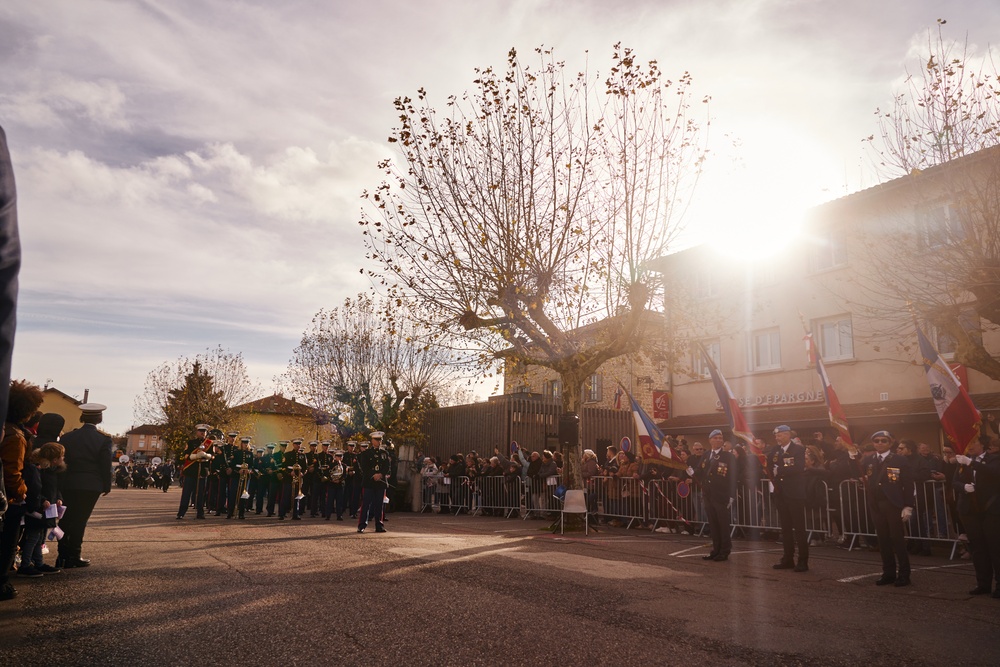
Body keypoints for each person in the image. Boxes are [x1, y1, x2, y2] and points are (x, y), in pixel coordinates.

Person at [0, 380, 45, 600]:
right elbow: (12, 471)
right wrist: (22, 492)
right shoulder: (15, 436)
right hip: (8, 500)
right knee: (7, 543)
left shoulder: (4, 428)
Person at [56, 403, 113, 569]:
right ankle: (74, 554)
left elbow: (62, 463)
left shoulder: (67, 437)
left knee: (65, 519)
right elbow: (105, 465)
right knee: (81, 520)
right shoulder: (103, 439)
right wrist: (106, 485)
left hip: (69, 483)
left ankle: (62, 556)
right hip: (91, 485)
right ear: (99, 418)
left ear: (82, 417)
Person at [863, 430, 915, 587]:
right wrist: (852, 458)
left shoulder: (900, 460)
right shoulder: (869, 460)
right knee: (883, 540)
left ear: (890, 443)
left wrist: (908, 505)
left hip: (893, 504)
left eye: (883, 441)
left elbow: (907, 484)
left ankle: (904, 574)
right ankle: (888, 572)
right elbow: (864, 477)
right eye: (877, 440)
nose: (880, 443)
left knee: (897, 539)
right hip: (876, 504)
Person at [953, 437, 1000, 597]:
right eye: (968, 442)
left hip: (990, 510)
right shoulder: (963, 460)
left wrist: (971, 463)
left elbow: (994, 472)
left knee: (995, 548)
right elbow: (954, 482)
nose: (970, 446)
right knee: (978, 549)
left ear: (982, 444)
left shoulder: (994, 458)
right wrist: (963, 487)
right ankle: (983, 583)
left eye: (973, 442)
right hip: (970, 510)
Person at [18, 441, 65, 576]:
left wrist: (58, 498)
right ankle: (25, 565)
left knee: (40, 538)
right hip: (39, 509)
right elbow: (36, 488)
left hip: (47, 508)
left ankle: (38, 563)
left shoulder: (50, 470)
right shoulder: (40, 470)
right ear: (54, 459)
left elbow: (53, 488)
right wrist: (43, 500)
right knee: (33, 537)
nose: (63, 459)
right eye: (62, 456)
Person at [769, 425, 809, 572]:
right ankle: (787, 558)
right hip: (781, 493)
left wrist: (779, 469)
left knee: (799, 528)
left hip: (794, 494)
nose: (777, 438)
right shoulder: (775, 450)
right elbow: (767, 464)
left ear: (787, 435)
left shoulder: (798, 449)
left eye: (779, 435)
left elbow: (798, 467)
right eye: (776, 436)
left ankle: (803, 560)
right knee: (785, 528)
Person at [693, 429, 736, 561]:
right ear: (710, 440)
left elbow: (733, 477)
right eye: (716, 438)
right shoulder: (706, 455)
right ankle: (716, 549)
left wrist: (731, 495)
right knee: (713, 523)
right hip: (708, 493)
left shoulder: (728, 456)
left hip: (721, 494)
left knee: (723, 523)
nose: (718, 440)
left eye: (720, 438)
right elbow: (700, 471)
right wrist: (691, 471)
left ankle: (724, 550)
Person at [356, 431, 391, 533]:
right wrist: (373, 474)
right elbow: (364, 467)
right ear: (372, 441)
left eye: (380, 440)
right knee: (366, 504)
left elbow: (387, 467)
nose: (379, 442)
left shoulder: (384, 453)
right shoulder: (366, 453)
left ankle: (379, 525)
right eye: (376, 440)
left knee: (379, 504)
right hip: (369, 482)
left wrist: (380, 474)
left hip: (380, 482)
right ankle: (362, 525)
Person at [177, 424, 212, 519]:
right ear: (197, 432)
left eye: (204, 431)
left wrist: (206, 455)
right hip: (191, 471)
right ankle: (181, 513)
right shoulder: (191, 442)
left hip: (202, 472)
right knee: (186, 493)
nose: (202, 433)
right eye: (200, 431)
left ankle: (200, 513)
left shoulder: (209, 443)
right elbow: (185, 455)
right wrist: (195, 456)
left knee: (201, 494)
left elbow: (212, 456)